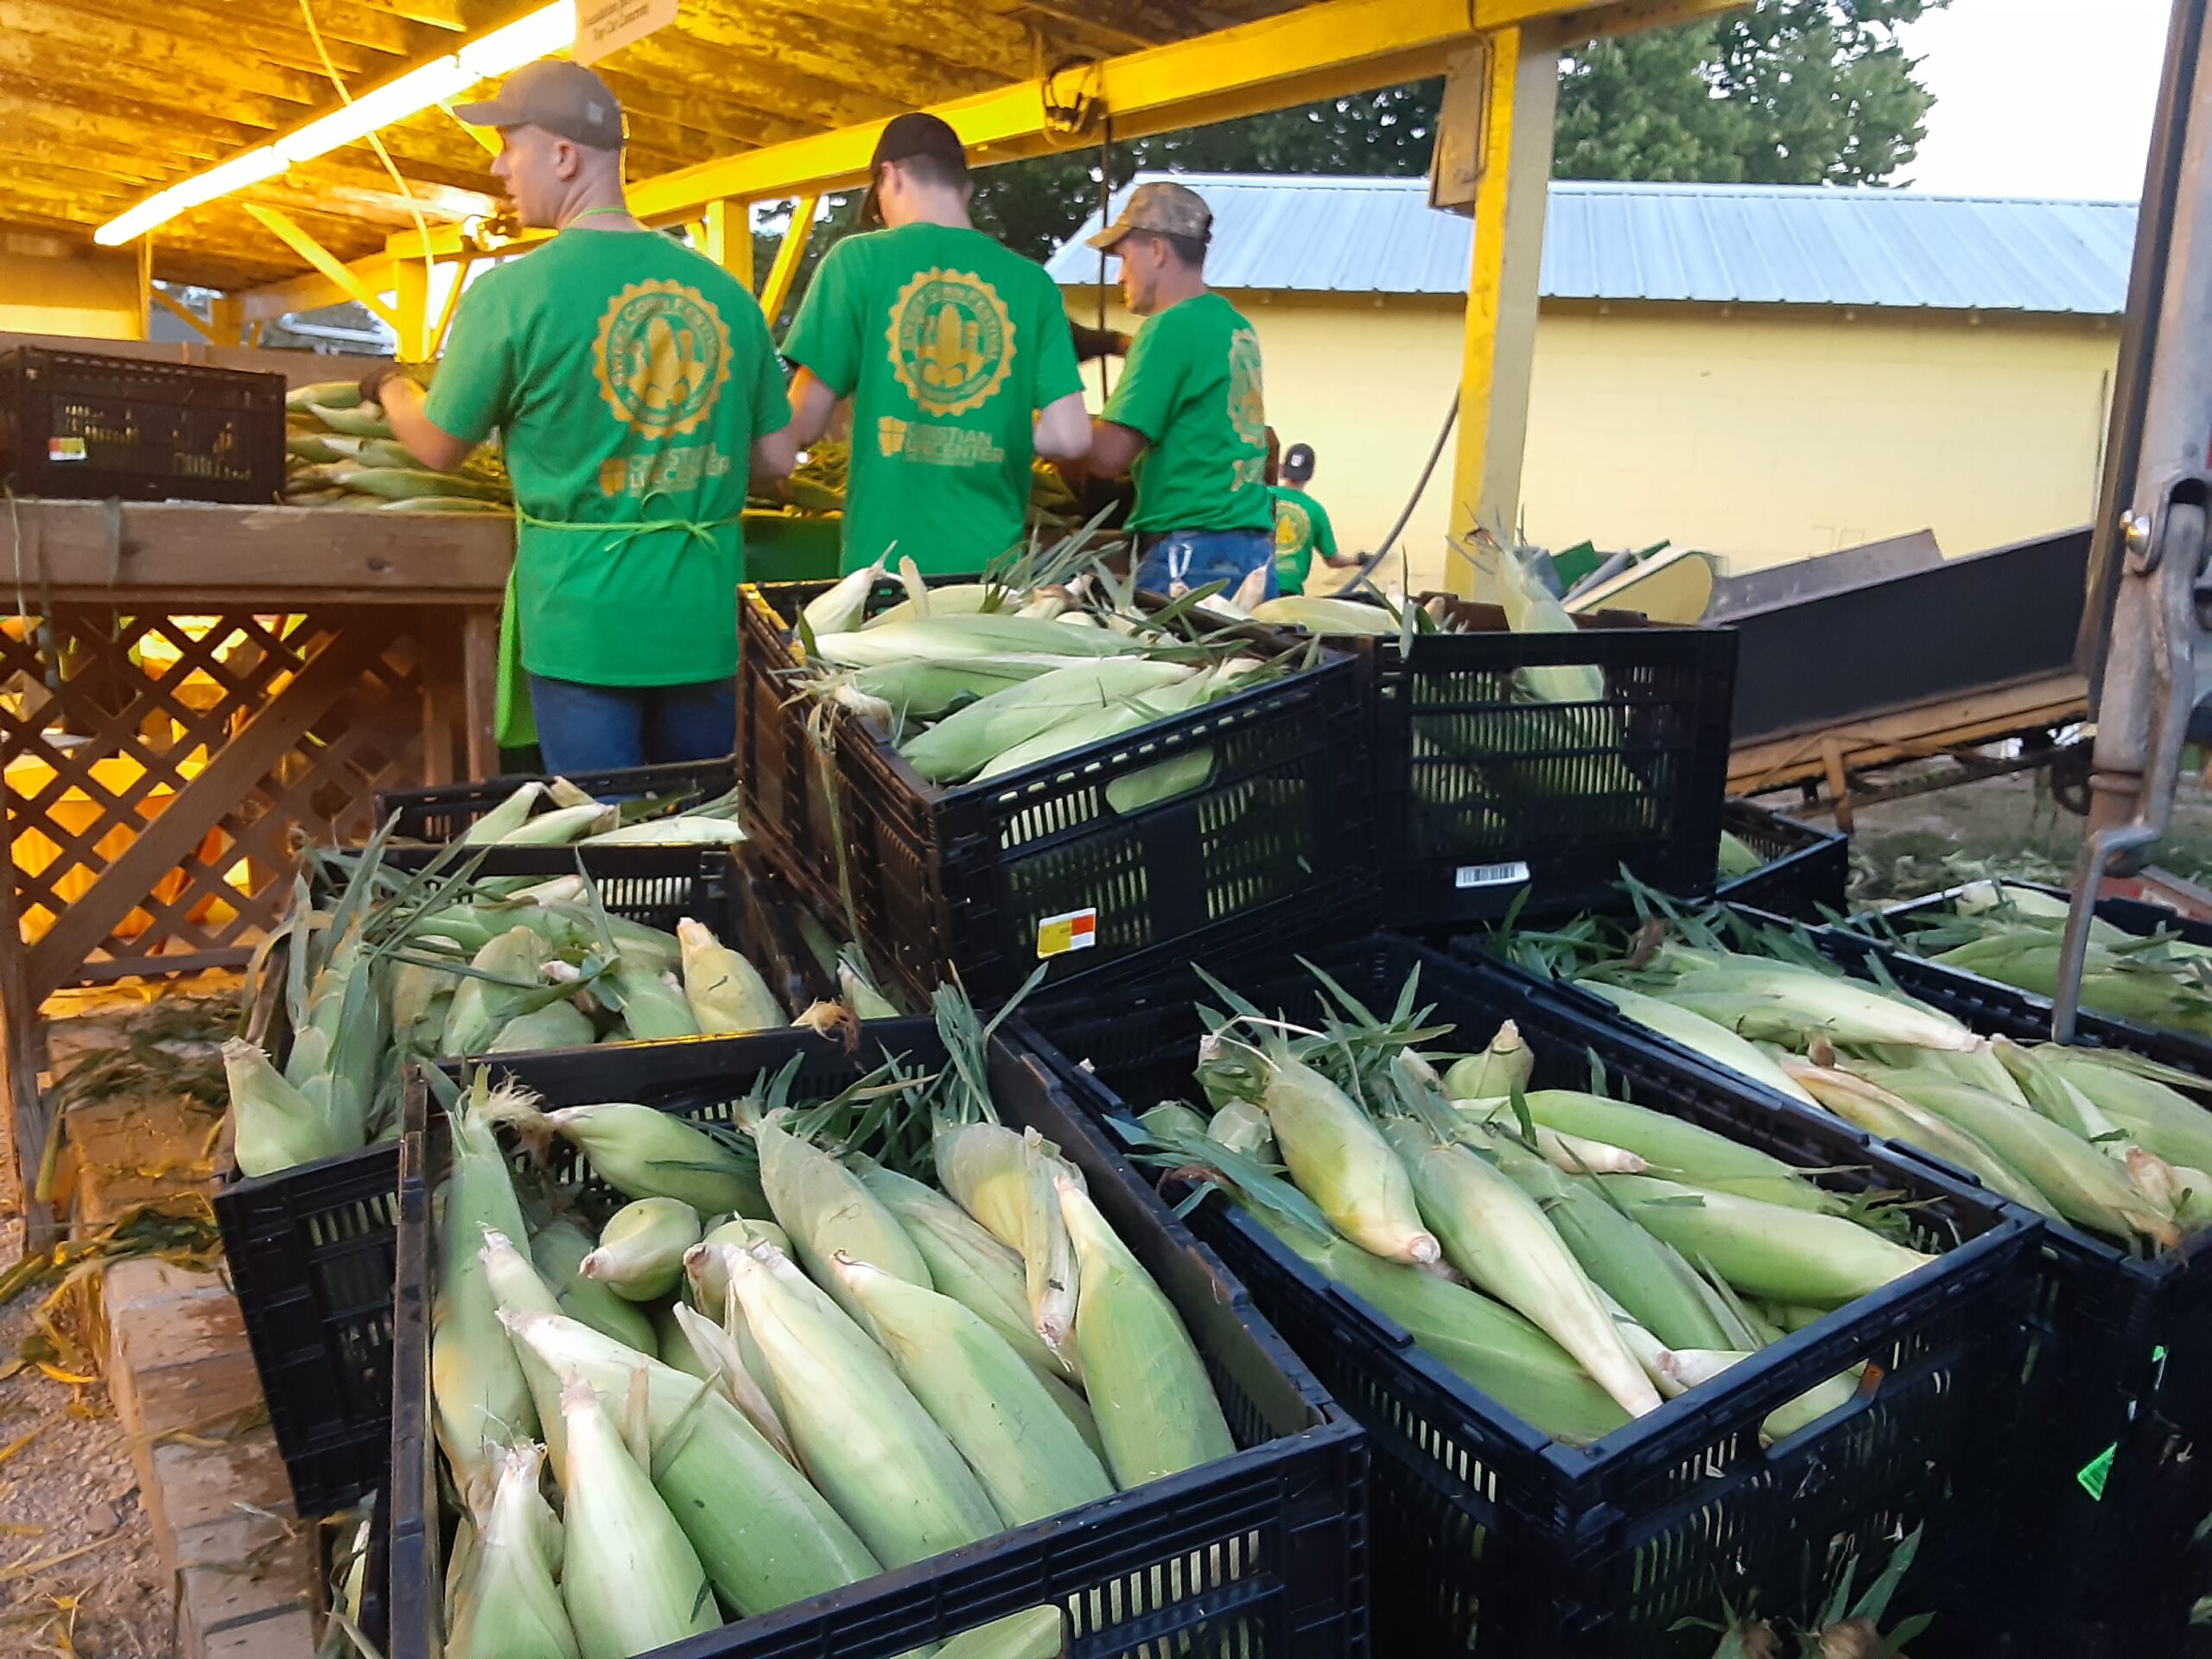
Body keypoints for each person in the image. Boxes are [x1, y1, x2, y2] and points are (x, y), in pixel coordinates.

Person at [368, 60, 796, 775]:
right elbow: (779, 460)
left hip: (584, 624)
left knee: (607, 852)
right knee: (705, 834)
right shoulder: (726, 297)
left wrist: (387, 389)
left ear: (564, 156)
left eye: (510, 145)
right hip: (700, 619)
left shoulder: (513, 294)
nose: (501, 168)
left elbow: (439, 445)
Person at [782, 113, 1092, 575]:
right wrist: (990, 428)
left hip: (885, 572)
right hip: (993, 578)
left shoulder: (857, 261)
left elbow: (802, 426)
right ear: (963, 189)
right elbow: (1071, 438)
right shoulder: (1031, 284)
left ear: (890, 176)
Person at [1074, 181, 1274, 601]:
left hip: (1190, 556)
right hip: (1251, 552)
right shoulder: (1235, 326)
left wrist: (1035, 424)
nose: (1121, 275)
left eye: (1125, 258)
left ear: (1158, 251)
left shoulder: (1168, 328)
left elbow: (1110, 456)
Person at [1268, 442, 1352, 595]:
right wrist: (1356, 560)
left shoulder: (1263, 496)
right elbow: (1332, 559)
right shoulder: (1316, 511)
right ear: (1311, 474)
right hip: (1289, 590)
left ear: (1282, 469)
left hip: (1255, 582)